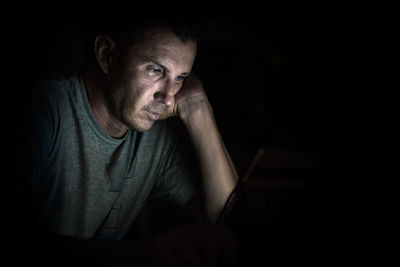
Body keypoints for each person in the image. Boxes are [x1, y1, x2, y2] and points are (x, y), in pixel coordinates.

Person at [9, 9, 239, 267]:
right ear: (107, 55)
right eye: (155, 70)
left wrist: (199, 109)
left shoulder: (156, 135)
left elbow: (229, 221)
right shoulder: (43, 112)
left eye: (180, 78)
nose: (168, 97)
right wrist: (143, 255)